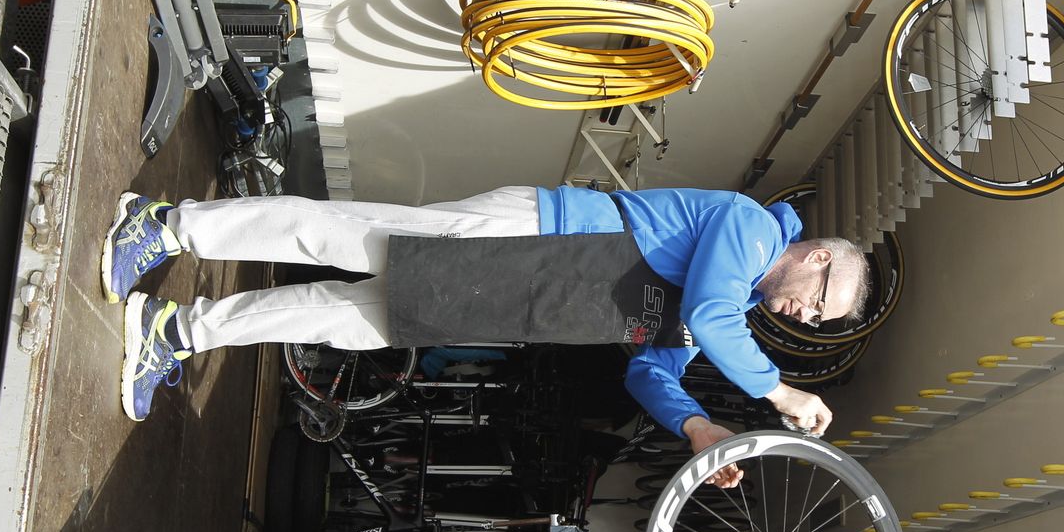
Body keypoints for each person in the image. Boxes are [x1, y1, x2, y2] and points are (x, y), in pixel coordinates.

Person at [104, 185, 870, 481]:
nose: (807, 314)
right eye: (821, 298)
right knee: (352, 234)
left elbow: (650, 372)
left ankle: (180, 331)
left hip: (529, 306)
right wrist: (779, 389)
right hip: (534, 239)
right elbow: (707, 312)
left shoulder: (721, 308)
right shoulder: (748, 232)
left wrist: (698, 425)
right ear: (819, 256)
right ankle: (167, 226)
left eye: (819, 321)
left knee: (356, 320)